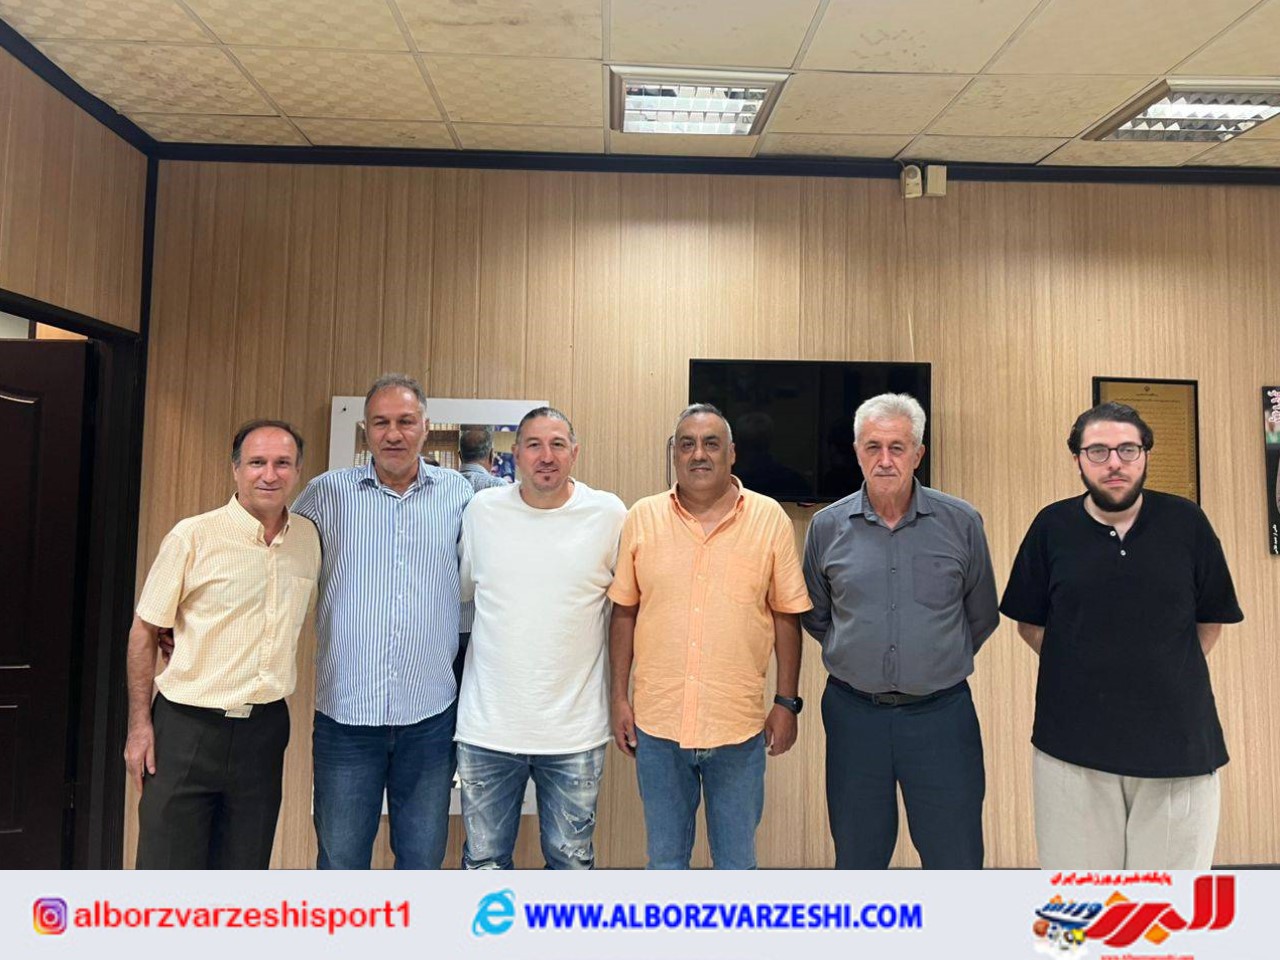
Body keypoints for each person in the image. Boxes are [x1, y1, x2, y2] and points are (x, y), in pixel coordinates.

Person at [1000, 401, 1243, 869]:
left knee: (1164, 904)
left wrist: (1158, 671)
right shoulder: (1051, 527)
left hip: (1178, 747)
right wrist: (1083, 668)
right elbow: (1029, 621)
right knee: (1083, 901)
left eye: (1127, 449)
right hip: (1071, 747)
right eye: (1098, 451)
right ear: (1077, 459)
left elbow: (1210, 617)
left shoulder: (1187, 523)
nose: (1114, 462)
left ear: (1145, 454)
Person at [608, 403, 811, 869]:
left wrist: (786, 702)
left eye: (711, 443)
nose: (698, 454)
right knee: (665, 863)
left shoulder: (769, 519)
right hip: (658, 726)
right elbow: (624, 612)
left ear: (732, 453)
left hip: (737, 728)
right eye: (687, 444)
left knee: (737, 865)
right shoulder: (642, 517)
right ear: (674, 454)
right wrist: (618, 697)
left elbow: (786, 616)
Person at [802, 393, 998, 869]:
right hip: (854, 717)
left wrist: (930, 660)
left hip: (941, 717)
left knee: (955, 859)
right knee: (858, 857)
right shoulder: (826, 527)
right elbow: (816, 614)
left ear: (918, 454)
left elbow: (981, 614)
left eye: (897, 447)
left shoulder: (962, 523)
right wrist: (860, 653)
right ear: (857, 452)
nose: (885, 460)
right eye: (873, 447)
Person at [293, 373, 472, 869]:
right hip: (346, 717)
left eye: (405, 421)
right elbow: (280, 564)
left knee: (422, 861)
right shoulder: (326, 494)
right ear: (366, 430)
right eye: (381, 422)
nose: (393, 434)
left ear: (425, 427)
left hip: (429, 718)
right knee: (341, 862)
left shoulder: (458, 494)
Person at [125, 420, 320, 868]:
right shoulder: (193, 536)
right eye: (256, 462)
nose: (269, 474)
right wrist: (139, 727)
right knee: (166, 870)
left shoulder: (308, 540)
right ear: (236, 470)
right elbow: (145, 631)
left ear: (297, 471)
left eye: (282, 463)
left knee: (243, 872)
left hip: (263, 731)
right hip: (186, 728)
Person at [455, 407, 626, 869]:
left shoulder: (609, 515)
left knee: (571, 864)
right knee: (484, 863)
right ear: (515, 454)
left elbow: (628, 608)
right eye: (533, 445)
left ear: (575, 453)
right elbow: (465, 592)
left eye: (557, 445)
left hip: (575, 731)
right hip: (488, 729)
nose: (545, 456)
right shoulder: (483, 512)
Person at [455, 424, 507, 685]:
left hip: (447, 617)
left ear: (459, 455)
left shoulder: (446, 488)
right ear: (491, 455)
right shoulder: (502, 491)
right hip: (486, 617)